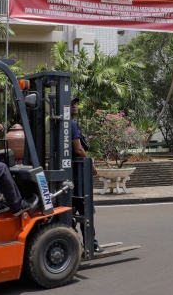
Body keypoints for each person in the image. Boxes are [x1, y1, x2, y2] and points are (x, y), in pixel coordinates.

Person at [71, 96, 104, 253]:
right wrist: (90, 163)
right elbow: (78, 149)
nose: (75, 106)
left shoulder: (58, 125)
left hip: (69, 174)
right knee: (85, 209)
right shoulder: (71, 124)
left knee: (69, 211)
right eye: (71, 104)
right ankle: (92, 244)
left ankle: (73, 241)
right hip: (78, 174)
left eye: (76, 104)